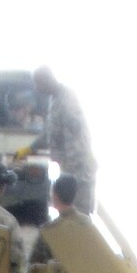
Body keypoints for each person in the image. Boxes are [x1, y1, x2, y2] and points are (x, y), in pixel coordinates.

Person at [32, 66, 97, 214]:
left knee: (80, 214)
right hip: (70, 167)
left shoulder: (67, 101)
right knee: (70, 212)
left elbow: (75, 141)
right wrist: (31, 147)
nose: (36, 88)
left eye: (38, 83)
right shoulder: (55, 98)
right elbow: (50, 130)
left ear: (47, 80)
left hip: (80, 168)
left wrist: (70, 177)